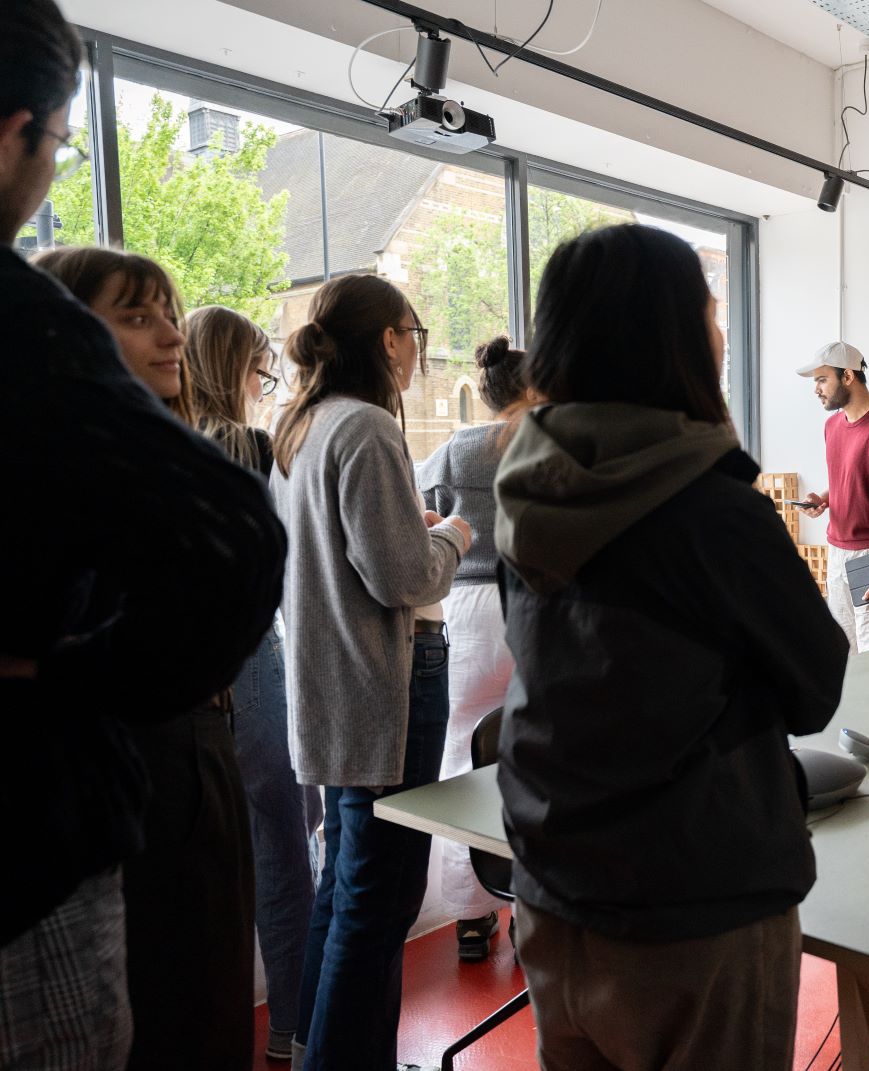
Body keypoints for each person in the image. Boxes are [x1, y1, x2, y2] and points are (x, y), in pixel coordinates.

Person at [493, 223, 847, 1071]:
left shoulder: (526, 488)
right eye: (710, 311)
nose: (720, 332)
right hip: (693, 905)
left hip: (551, 890)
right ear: (673, 337)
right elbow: (817, 685)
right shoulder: (713, 508)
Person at [0, 3, 282, 1065]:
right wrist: (74, 678)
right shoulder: (31, 342)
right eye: (133, 315)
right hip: (54, 823)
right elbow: (235, 547)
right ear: (13, 131)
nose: (170, 335)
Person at [34, 246, 268, 1071]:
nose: (172, 335)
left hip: (198, 752)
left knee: (209, 1001)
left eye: (170, 311)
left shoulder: (166, 457)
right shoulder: (64, 474)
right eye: (137, 317)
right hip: (129, 768)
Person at [270, 273, 471, 1071]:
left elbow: (354, 555)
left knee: (346, 889)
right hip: (383, 680)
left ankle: (313, 1049)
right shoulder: (368, 429)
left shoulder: (303, 425)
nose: (418, 349)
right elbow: (403, 577)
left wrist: (412, 533)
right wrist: (452, 533)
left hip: (326, 680)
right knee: (379, 900)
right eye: (413, 331)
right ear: (388, 338)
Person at [184, 304, 317, 1063]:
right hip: (252, 663)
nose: (262, 383)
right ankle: (292, 1034)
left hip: (189, 680)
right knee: (282, 852)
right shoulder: (249, 447)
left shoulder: (165, 445)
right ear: (230, 368)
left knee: (212, 870)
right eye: (257, 369)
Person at [415, 335, 525, 962]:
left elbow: (420, 506)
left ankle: (469, 918)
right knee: (529, 758)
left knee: (462, 757)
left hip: (465, 607)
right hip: (525, 607)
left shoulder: (457, 448)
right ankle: (525, 901)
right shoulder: (539, 444)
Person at [797, 342, 869, 652]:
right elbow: (850, 479)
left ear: (847, 375)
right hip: (836, 551)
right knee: (843, 654)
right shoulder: (832, 426)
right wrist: (823, 499)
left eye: (822, 380)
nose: (817, 390)